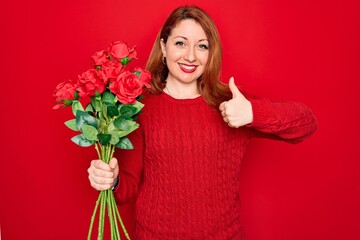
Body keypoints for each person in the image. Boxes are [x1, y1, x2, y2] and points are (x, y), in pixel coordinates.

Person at [87, 5, 318, 240]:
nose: (190, 56)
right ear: (164, 47)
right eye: (180, 43)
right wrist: (111, 179)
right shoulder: (139, 107)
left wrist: (252, 113)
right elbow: (125, 190)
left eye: (202, 46)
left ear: (211, 54)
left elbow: (305, 125)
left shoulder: (232, 104)